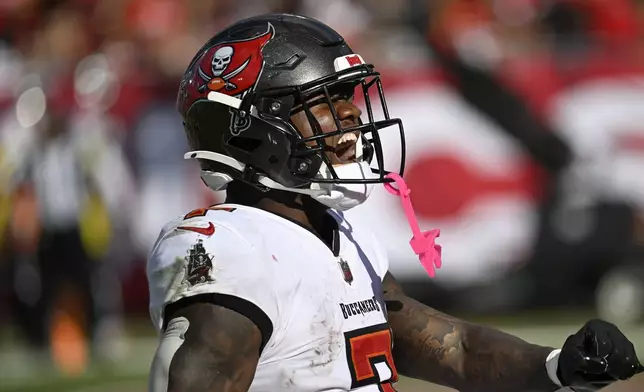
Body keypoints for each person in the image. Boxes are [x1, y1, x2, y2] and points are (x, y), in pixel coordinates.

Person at [146, 13, 643, 392]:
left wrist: (558, 365)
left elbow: (457, 350)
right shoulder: (233, 250)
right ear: (252, 131)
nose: (350, 116)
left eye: (347, 98)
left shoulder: (337, 231)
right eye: (323, 103)